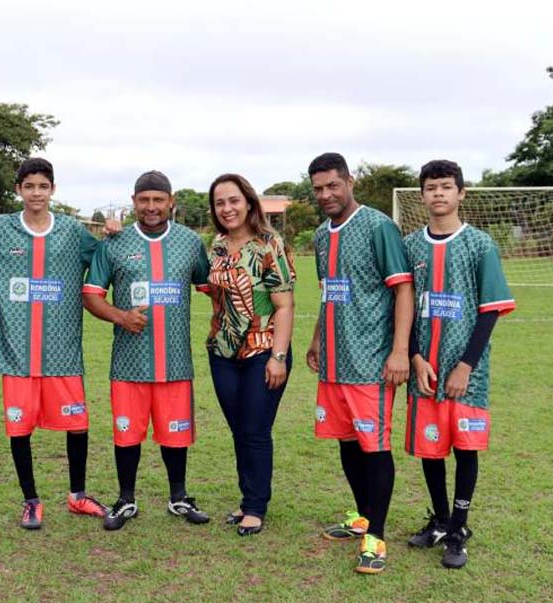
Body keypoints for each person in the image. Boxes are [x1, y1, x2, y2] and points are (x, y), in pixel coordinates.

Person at [0, 157, 108, 529]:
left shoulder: (73, 233)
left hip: (63, 353)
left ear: (53, 190)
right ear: (18, 190)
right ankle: (30, 500)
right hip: (17, 353)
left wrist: (115, 234)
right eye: (29, 186)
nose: (36, 193)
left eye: (43, 186)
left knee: (78, 425)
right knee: (19, 428)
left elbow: (106, 258)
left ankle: (77, 495)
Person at [83, 170, 212, 531]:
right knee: (127, 434)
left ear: (171, 202)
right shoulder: (115, 242)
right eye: (144, 200)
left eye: (158, 200)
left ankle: (179, 497)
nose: (151, 207)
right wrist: (121, 317)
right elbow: (91, 295)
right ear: (134, 202)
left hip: (175, 362)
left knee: (175, 434)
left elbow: (210, 287)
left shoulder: (189, 242)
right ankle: (126, 499)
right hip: (129, 364)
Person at [403, 160, 515, 569]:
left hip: (467, 373)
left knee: (465, 449)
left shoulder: (480, 245)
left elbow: (489, 311)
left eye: (446, 187)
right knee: (430, 449)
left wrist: (466, 365)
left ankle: (459, 528)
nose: (438, 194)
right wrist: (415, 356)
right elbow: (406, 308)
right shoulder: (411, 246)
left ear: (461, 193)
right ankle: (440, 519)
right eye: (431, 187)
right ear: (422, 195)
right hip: (424, 371)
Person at [306, 152, 414, 574]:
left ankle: (377, 537)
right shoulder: (319, 235)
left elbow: (402, 290)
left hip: (372, 360)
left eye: (333, 185)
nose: (326, 194)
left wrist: (400, 351)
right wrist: (317, 339)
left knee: (374, 446)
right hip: (335, 360)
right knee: (347, 442)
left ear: (349, 181)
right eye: (318, 188)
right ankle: (363, 516)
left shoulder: (378, 227)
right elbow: (328, 291)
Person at [205, 174, 295, 536]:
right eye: (220, 203)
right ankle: (246, 500)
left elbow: (285, 306)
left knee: (256, 429)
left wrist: (278, 356)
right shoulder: (217, 245)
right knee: (239, 429)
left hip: (264, 349)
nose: (227, 208)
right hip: (222, 350)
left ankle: (256, 507)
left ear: (249, 202)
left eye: (233, 200)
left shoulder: (269, 244)